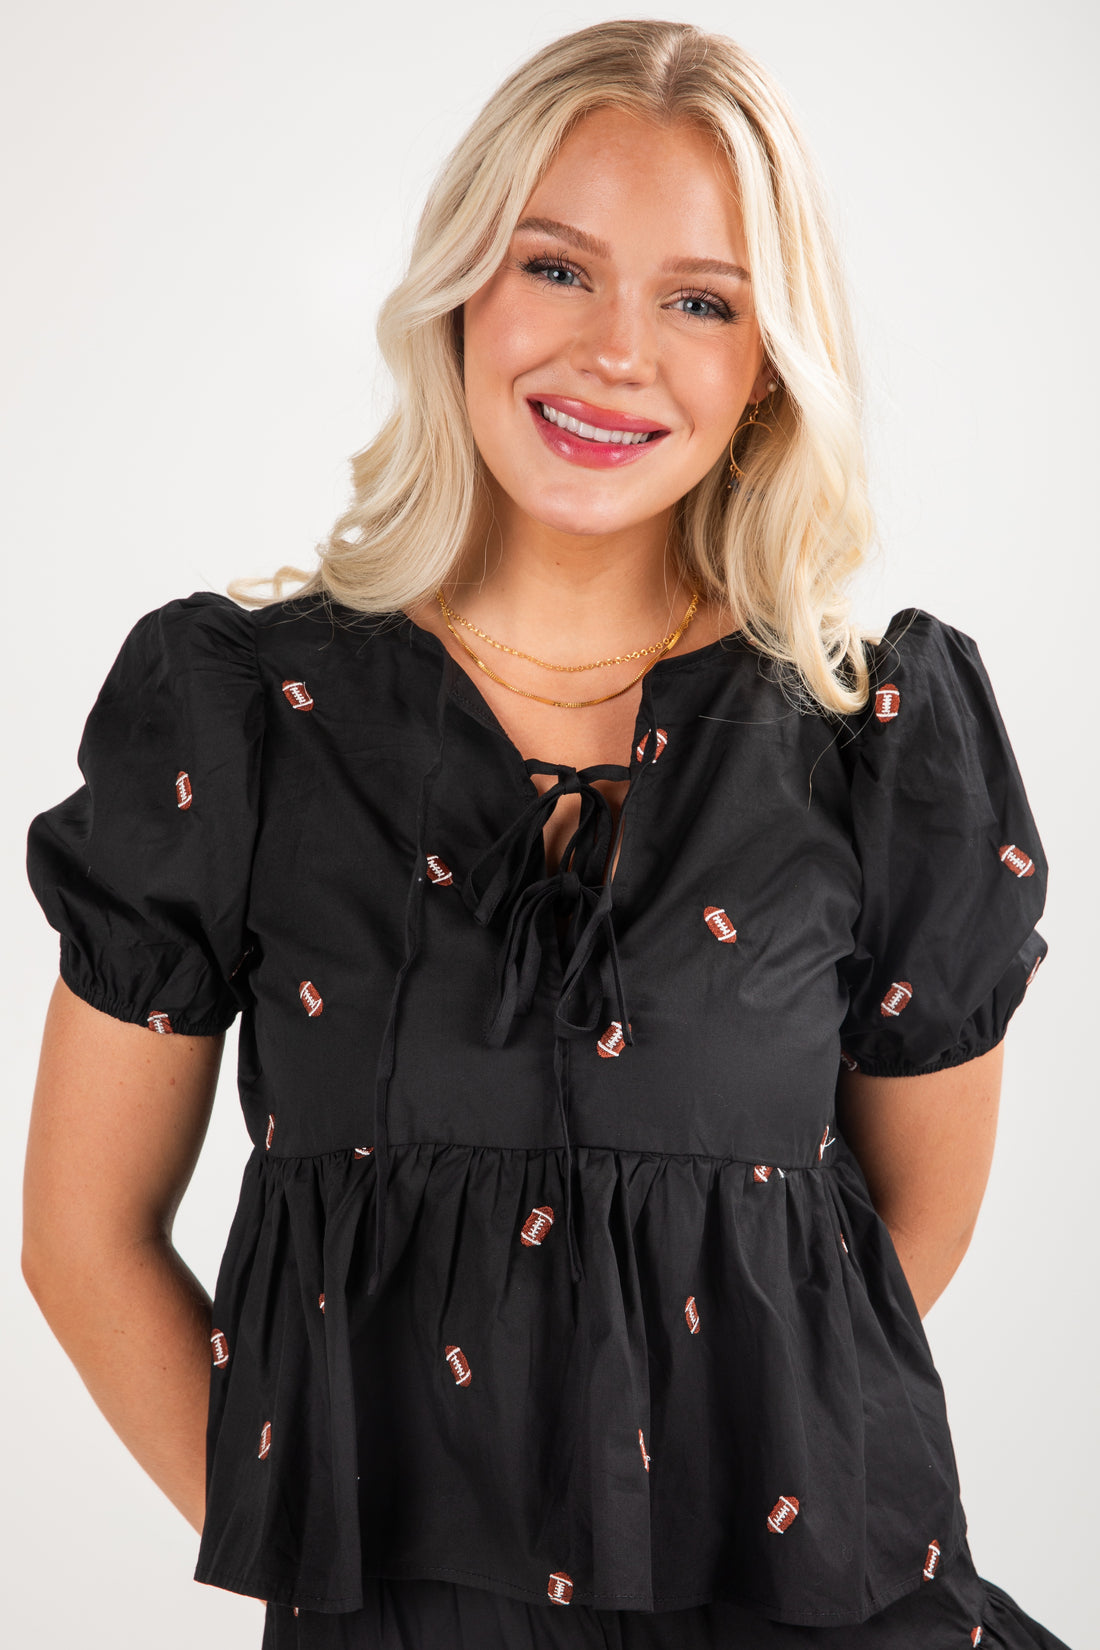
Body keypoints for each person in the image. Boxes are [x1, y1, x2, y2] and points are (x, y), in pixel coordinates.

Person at [22, 18, 1070, 1650]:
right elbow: (82, 1242)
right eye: (558, 269)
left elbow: (898, 1238)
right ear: (462, 288)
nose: (618, 354)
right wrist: (346, 1548)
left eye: (702, 300)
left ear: (767, 363)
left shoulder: (875, 735)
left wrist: (689, 1486)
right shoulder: (237, 713)